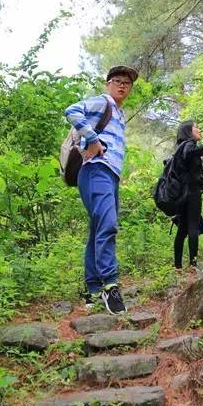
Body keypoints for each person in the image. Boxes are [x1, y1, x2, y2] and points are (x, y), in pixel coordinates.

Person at [64, 65, 137, 315]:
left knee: (98, 227)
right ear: (108, 84)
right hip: (96, 169)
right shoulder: (102, 102)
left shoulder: (119, 113)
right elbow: (72, 110)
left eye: (127, 83)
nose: (122, 85)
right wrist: (93, 140)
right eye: (117, 80)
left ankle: (92, 288)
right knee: (108, 224)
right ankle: (110, 284)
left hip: (108, 174)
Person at [171, 121, 203, 269]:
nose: (199, 129)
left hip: (181, 194)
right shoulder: (188, 145)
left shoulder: (179, 147)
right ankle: (193, 265)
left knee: (182, 229)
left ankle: (178, 267)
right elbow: (190, 153)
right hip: (191, 192)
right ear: (188, 131)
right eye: (196, 127)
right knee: (193, 227)